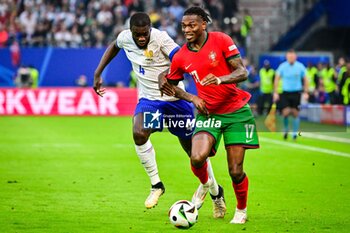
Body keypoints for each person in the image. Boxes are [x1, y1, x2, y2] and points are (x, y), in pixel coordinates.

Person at [93, 12, 219, 210]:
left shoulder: (161, 38)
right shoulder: (125, 37)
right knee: (139, 133)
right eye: (138, 34)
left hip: (175, 99)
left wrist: (165, 74)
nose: (141, 38)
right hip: (150, 101)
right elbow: (114, 46)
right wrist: (98, 72)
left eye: (145, 33)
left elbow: (182, 59)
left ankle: (215, 192)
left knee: (194, 154)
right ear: (131, 32)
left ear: (150, 29)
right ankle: (156, 185)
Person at [160, 6, 259, 224]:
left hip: (236, 113)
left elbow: (242, 72)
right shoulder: (181, 56)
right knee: (196, 157)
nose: (187, 29)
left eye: (192, 25)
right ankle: (207, 185)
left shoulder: (221, 40)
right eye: (184, 25)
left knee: (235, 171)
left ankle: (241, 211)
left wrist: (221, 79)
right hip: (208, 113)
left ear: (204, 24)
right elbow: (170, 85)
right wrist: (192, 98)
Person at [273, 49, 309, 140]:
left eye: (292, 56)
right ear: (287, 57)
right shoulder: (282, 66)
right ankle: (285, 129)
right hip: (285, 92)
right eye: (289, 56)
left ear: (295, 57)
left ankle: (294, 133)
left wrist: (306, 92)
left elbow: (306, 79)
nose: (291, 58)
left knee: (295, 113)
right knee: (285, 112)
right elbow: (277, 79)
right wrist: (276, 92)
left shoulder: (300, 66)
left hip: (296, 92)